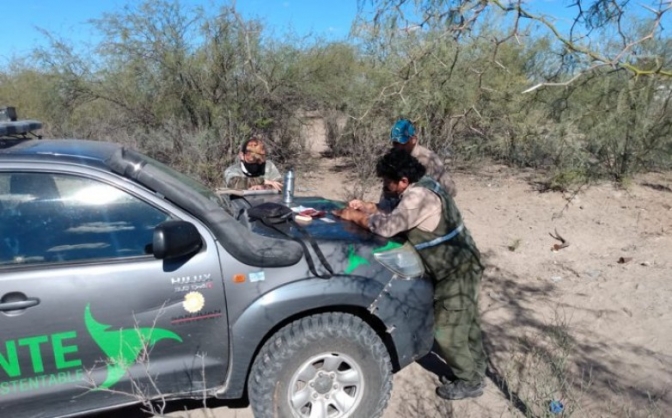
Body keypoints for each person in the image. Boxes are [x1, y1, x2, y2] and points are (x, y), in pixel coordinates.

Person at [334, 149, 487, 401]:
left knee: (448, 328)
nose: (385, 186)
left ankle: (469, 381)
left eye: (388, 182)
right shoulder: (421, 187)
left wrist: (354, 216)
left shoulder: (418, 197)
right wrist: (369, 207)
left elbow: (389, 227)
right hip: (462, 265)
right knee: (467, 323)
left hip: (456, 271)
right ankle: (475, 372)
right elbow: (395, 213)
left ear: (403, 180)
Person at [389, 118, 457, 197]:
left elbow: (450, 190)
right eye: (395, 143)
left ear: (413, 140)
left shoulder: (427, 159)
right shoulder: (396, 157)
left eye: (403, 143)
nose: (399, 147)